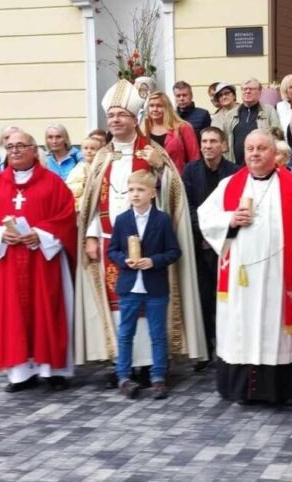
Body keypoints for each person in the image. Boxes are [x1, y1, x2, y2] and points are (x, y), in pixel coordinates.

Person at [75, 79, 207, 375]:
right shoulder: (102, 156)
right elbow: (93, 200)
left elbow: (173, 193)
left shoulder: (151, 151)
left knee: (150, 305)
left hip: (152, 244)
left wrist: (160, 169)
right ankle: (124, 364)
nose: (115, 120)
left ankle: (150, 365)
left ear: (135, 119)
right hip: (112, 242)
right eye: (111, 115)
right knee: (119, 305)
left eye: (121, 114)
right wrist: (92, 236)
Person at [196, 129, 292, 405]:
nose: (254, 153)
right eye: (250, 148)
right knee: (243, 329)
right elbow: (206, 215)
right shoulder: (229, 185)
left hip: (281, 275)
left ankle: (284, 391)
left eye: (261, 148)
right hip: (242, 276)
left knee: (279, 334)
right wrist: (230, 219)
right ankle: (242, 390)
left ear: (275, 154)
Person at [0, 129, 78, 392]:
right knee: (12, 315)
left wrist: (40, 234)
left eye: (21, 145)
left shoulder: (53, 183)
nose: (15, 150)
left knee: (48, 311)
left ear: (33, 150)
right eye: (10, 146)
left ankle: (53, 370)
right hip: (7, 263)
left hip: (43, 263)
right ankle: (20, 374)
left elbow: (66, 217)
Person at [107, 170, 181, 400]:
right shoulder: (122, 220)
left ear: (152, 193)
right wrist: (124, 261)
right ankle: (124, 377)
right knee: (125, 333)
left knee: (157, 334)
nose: (135, 194)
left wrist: (153, 261)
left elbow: (174, 251)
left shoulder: (162, 219)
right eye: (131, 190)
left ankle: (158, 377)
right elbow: (112, 250)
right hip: (129, 286)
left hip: (155, 286)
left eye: (140, 190)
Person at [182, 126, 239, 369]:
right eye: (204, 141)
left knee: (227, 298)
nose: (207, 146)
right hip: (199, 243)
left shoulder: (234, 173)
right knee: (203, 299)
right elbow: (188, 205)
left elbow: (234, 208)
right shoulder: (191, 170)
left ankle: (229, 347)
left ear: (224, 145)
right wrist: (205, 232)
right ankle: (205, 351)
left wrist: (218, 233)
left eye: (213, 141)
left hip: (226, 246)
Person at [213, 78, 280, 164]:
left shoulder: (269, 111)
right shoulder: (231, 115)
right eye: (245, 89)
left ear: (260, 92)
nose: (247, 91)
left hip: (262, 163)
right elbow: (225, 143)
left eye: (251, 89)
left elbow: (278, 136)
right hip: (235, 166)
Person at [145, 92, 201, 173]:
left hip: (178, 180)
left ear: (167, 107)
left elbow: (194, 158)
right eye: (151, 106)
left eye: (159, 106)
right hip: (150, 182)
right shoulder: (144, 129)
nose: (155, 109)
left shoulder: (183, 127)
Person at [65, 136, 104, 211]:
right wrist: (82, 185)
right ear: (81, 151)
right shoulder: (78, 169)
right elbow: (68, 187)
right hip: (82, 207)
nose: (89, 151)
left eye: (93, 149)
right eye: (86, 148)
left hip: (98, 205)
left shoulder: (102, 168)